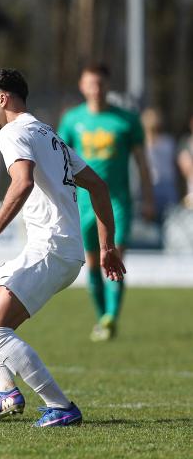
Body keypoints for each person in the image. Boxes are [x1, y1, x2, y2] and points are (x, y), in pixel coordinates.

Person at [0, 67, 124, 428]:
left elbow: (22, 182)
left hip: (51, 248)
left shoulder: (14, 132)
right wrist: (106, 246)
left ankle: (60, 406)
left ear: (3, 98)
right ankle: (4, 392)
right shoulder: (48, 133)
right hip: (58, 249)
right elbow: (99, 186)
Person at [58, 63, 153, 341]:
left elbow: (142, 163)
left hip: (118, 202)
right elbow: (60, 160)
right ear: (82, 86)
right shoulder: (72, 120)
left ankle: (111, 316)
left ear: (107, 86)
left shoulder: (126, 120)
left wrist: (148, 198)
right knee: (91, 264)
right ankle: (102, 318)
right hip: (84, 203)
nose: (96, 89)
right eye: (91, 83)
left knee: (114, 255)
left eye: (100, 83)